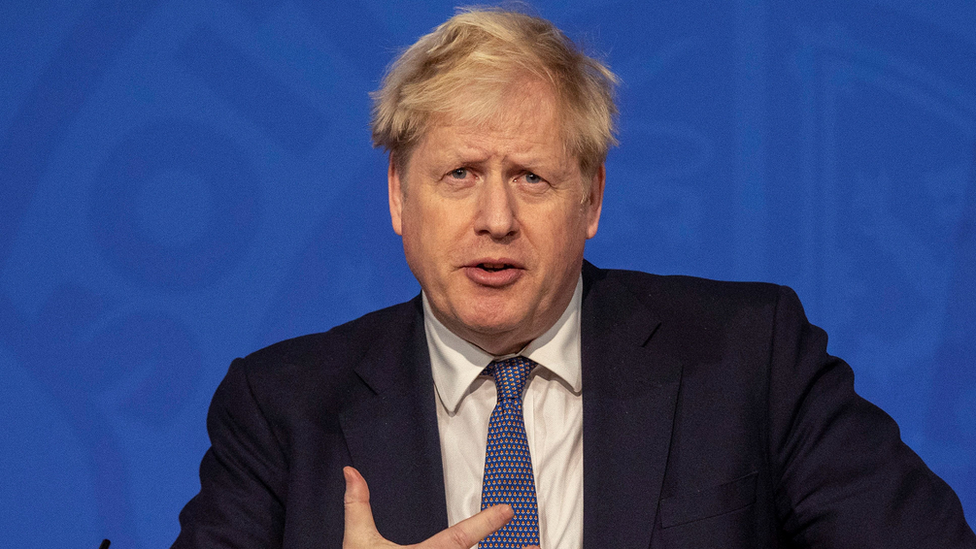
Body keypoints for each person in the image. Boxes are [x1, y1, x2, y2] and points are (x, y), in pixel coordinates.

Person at [172, 7, 975, 549]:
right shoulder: (281, 409)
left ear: (590, 197)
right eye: (458, 175)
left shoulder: (749, 360)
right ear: (396, 196)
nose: (495, 218)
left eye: (531, 177)